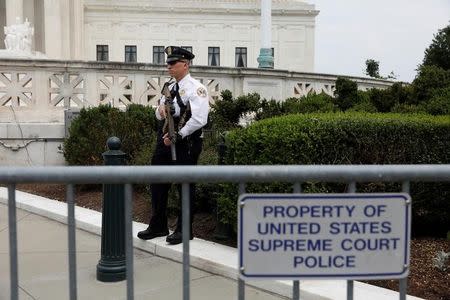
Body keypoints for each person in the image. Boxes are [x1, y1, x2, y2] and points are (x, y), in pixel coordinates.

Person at [138, 46, 209, 245]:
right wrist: (160, 111)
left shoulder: (197, 88)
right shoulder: (169, 87)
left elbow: (199, 118)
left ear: (185, 65)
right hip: (166, 140)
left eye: (173, 63)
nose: (168, 66)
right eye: (168, 63)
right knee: (158, 182)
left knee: (184, 186)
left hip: (187, 142)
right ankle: (158, 225)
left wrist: (179, 135)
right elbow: (158, 112)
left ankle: (184, 230)